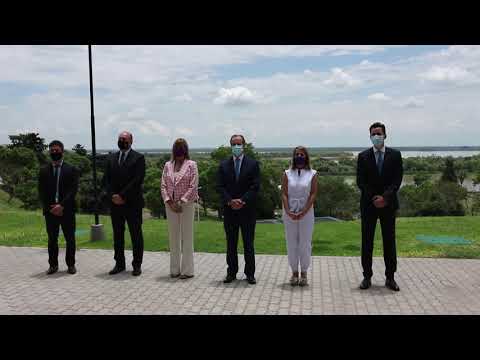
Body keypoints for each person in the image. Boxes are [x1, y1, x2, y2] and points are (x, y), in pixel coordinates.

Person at [356, 122, 403, 291]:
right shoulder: (363, 156)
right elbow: (360, 182)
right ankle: (366, 277)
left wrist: (385, 198)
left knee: (389, 242)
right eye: (373, 134)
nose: (376, 137)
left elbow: (397, 181)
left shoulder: (395, 155)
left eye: (379, 133)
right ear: (370, 137)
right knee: (367, 242)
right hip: (369, 205)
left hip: (388, 205)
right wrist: (375, 198)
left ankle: (390, 278)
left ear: (385, 135)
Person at [217, 134, 260, 285]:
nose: (236, 147)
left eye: (239, 144)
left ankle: (250, 274)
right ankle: (231, 273)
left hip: (247, 210)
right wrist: (230, 201)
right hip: (230, 211)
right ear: (231, 146)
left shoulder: (253, 164)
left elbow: (255, 187)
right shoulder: (223, 165)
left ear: (244, 145)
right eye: (234, 144)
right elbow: (220, 187)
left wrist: (242, 200)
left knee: (248, 244)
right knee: (231, 244)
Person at [102, 131, 146, 276]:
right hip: (115, 204)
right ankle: (119, 264)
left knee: (136, 235)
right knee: (118, 235)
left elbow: (137, 180)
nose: (122, 141)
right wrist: (112, 195)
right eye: (120, 139)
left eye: (125, 139)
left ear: (131, 141)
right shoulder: (111, 158)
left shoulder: (139, 158)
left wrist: (122, 196)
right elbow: (106, 180)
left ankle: (137, 265)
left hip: (132, 203)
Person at [38, 140, 79, 275]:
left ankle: (71, 265)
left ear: (62, 151)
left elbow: (73, 191)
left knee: (70, 239)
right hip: (50, 211)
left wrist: (61, 205)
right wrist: (52, 208)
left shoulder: (71, 170)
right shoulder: (44, 171)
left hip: (67, 210)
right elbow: (42, 192)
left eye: (57, 150)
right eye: (52, 150)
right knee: (52, 240)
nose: (54, 152)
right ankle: (53, 265)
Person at [161, 138, 199, 279]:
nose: (179, 152)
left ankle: (187, 271)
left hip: (187, 205)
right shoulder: (167, 165)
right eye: (177, 149)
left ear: (185, 151)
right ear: (173, 151)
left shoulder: (192, 165)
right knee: (173, 238)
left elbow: (193, 186)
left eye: (182, 149)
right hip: (170, 205)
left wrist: (181, 202)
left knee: (187, 237)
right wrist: (170, 202)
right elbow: (163, 185)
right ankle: (174, 269)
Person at [281, 146, 318, 286]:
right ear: (293, 156)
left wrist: (304, 211)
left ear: (306, 156)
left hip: (307, 212)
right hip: (289, 212)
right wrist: (288, 210)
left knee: (305, 243)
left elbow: (313, 193)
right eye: (297, 154)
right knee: (291, 243)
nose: (299, 156)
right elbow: (284, 193)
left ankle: (304, 272)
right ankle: (294, 272)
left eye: (302, 154)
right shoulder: (287, 173)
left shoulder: (312, 173)